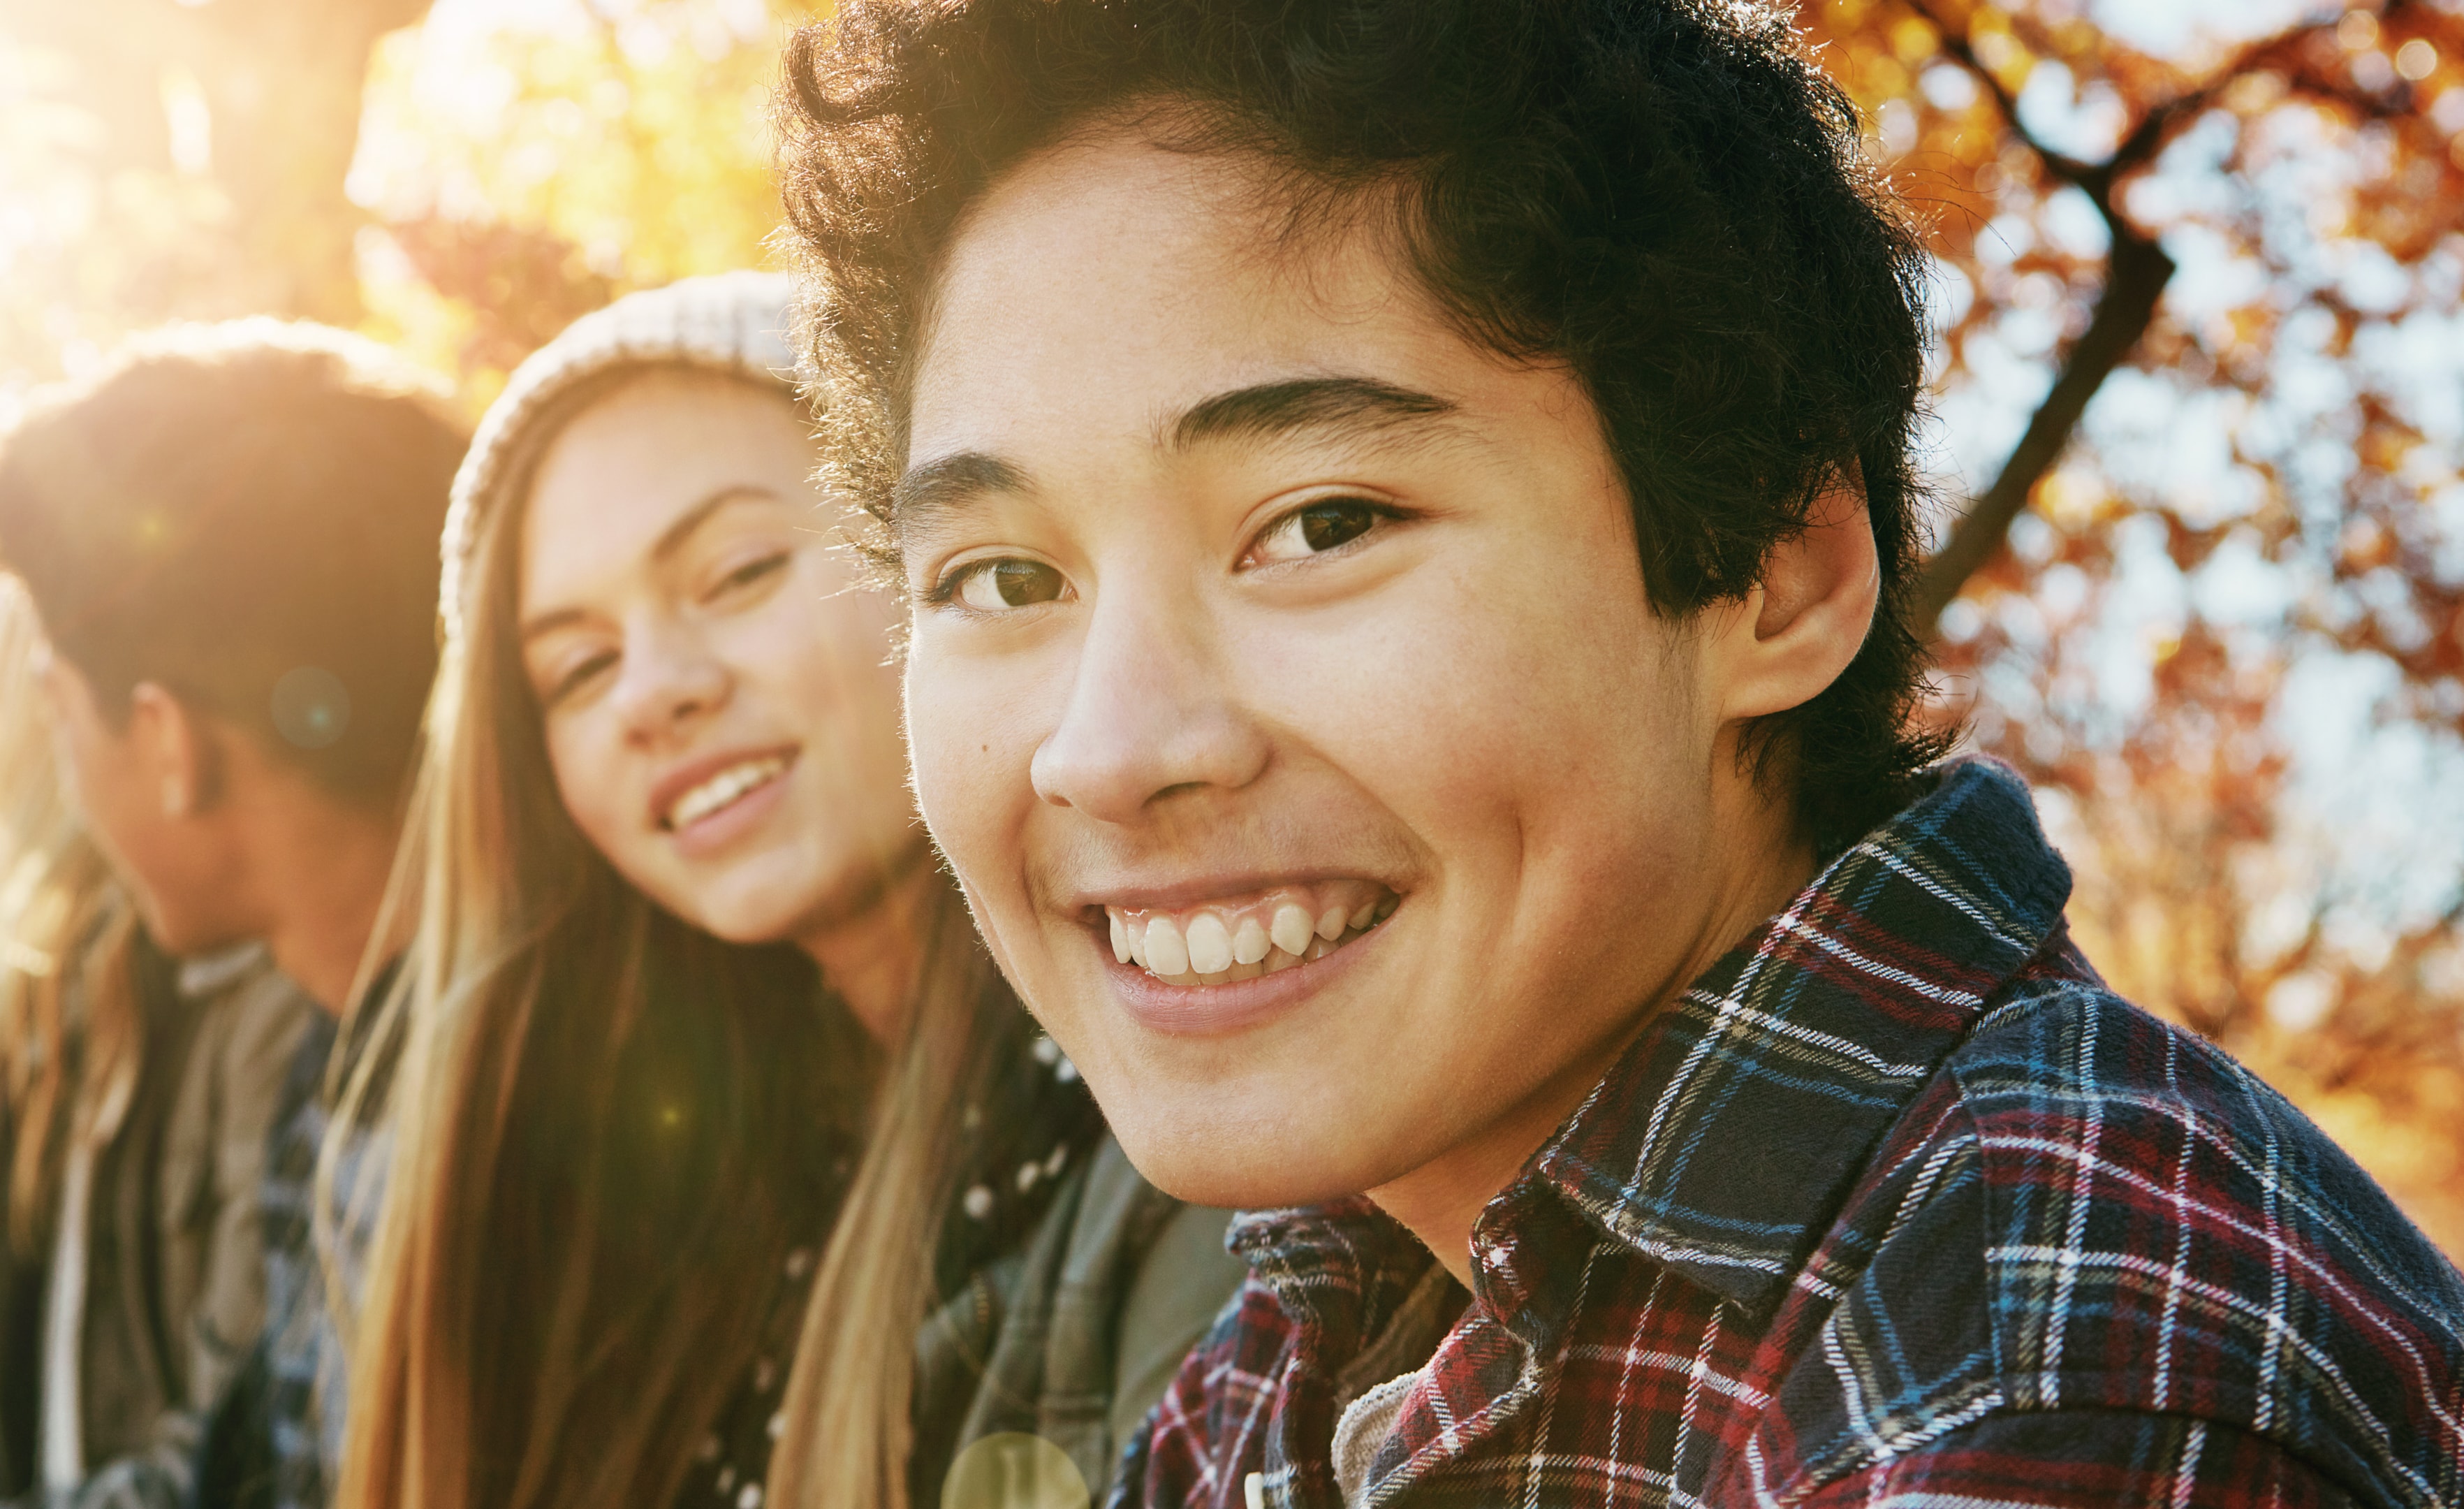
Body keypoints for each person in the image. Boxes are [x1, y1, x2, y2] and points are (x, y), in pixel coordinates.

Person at [775, 2, 2464, 1505]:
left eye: (1322, 523)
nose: (1111, 747)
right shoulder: (1334, 1304)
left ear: (1775, 573)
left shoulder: (2048, 1368)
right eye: (1003, 578)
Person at [335, 272, 1243, 1509]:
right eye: (580, 667)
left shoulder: (1205, 1111)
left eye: (737, 573)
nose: (656, 692)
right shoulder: (649, 1206)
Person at [0, 326, 460, 1506]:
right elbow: (234, 1466)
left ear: (165, 743)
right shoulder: (356, 1046)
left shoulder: (474, 1112)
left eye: (57, 706)